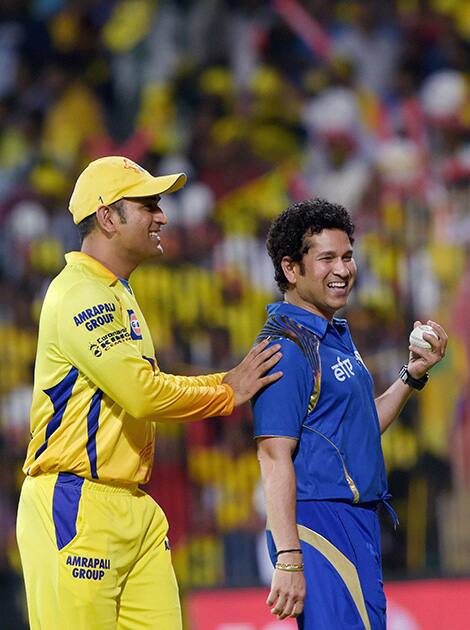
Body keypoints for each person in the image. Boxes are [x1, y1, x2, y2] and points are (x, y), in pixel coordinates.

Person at [16, 155, 283, 630]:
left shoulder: (117, 291)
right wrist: (226, 388)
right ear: (107, 217)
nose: (162, 215)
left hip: (132, 506)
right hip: (76, 505)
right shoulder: (81, 294)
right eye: (147, 205)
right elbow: (141, 394)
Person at [252, 199, 448, 629]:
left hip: (355, 523)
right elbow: (273, 455)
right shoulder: (287, 348)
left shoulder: (331, 334)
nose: (342, 269)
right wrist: (288, 557)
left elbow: (358, 429)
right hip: (321, 526)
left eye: (347, 256)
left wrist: (411, 377)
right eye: (326, 259)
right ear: (291, 268)